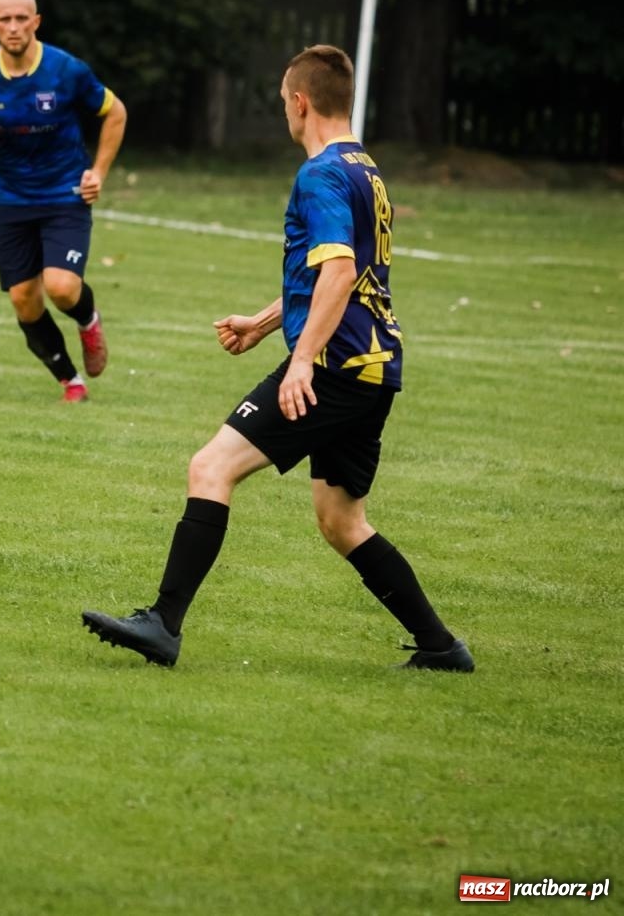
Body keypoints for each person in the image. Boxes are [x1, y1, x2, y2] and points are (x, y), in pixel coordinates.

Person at [80, 45, 473, 672]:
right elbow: (341, 273)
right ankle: (441, 647)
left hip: (333, 368)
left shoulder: (319, 174)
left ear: (300, 102)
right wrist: (265, 324)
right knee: (342, 521)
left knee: (211, 467)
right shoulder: (364, 168)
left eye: (283, 103)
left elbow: (338, 274)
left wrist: (301, 360)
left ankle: (163, 623)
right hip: (372, 368)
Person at [0, 0, 127, 403]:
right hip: (11, 197)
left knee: (62, 287)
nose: (14, 27)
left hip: (65, 191)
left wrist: (98, 172)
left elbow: (115, 112)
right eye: (5, 19)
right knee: (24, 300)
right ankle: (71, 381)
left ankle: (88, 320)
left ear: (36, 22)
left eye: (21, 18)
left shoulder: (66, 71)